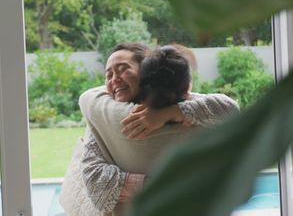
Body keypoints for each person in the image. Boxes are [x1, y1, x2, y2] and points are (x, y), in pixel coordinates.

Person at [78, 43, 239, 215]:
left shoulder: (99, 110)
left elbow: (87, 97)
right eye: (108, 74)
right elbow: (231, 108)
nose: (114, 79)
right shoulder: (201, 112)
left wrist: (167, 113)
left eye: (123, 69)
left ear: (145, 73)